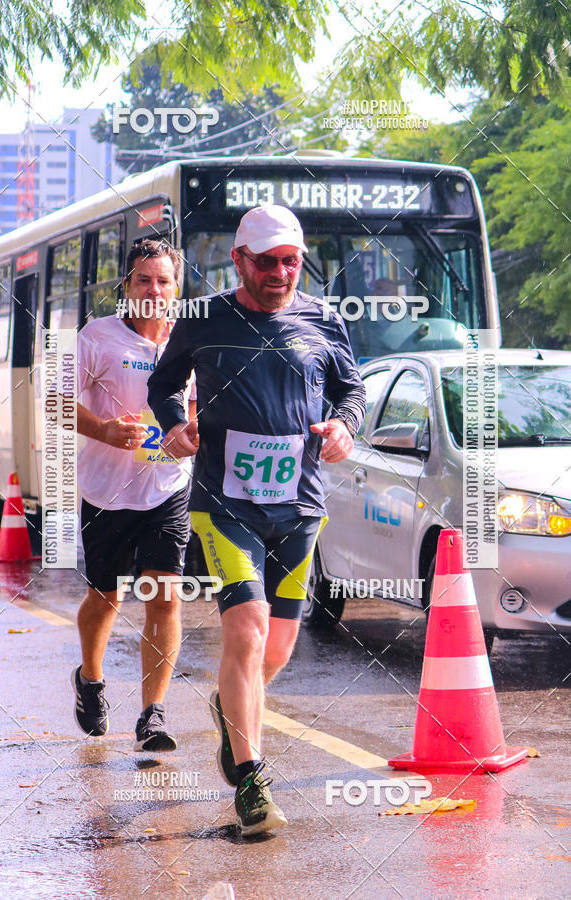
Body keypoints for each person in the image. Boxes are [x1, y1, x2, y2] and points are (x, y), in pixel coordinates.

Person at [147, 204, 366, 835]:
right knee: (245, 632)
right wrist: (174, 427)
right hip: (225, 504)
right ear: (239, 260)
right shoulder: (205, 318)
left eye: (290, 261)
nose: (279, 273)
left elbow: (349, 389)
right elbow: (164, 385)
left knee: (275, 649)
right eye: (265, 261)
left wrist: (345, 426)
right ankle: (251, 782)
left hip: (298, 506)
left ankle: (229, 708)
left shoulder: (323, 319)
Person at [71, 238, 192, 752]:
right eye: (143, 279)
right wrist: (103, 430)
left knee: (164, 595)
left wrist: (191, 434)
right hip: (106, 491)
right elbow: (56, 403)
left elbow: (202, 406)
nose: (154, 289)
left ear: (176, 288)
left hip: (167, 488)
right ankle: (90, 678)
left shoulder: (189, 342)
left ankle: (152, 714)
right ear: (127, 286)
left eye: (163, 280)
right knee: (106, 597)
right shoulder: (97, 337)